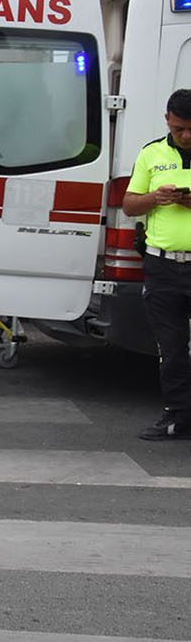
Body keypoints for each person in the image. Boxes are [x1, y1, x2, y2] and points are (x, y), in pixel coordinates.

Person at [122, 88, 191, 440]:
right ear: (168, 120)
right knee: (171, 347)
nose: (187, 136)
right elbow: (129, 205)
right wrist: (154, 198)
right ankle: (177, 416)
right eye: (180, 128)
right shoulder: (151, 153)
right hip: (163, 267)